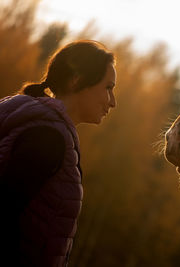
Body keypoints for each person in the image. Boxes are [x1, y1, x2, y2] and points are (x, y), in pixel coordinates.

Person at [0, 40, 116, 266]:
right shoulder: (47, 139)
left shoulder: (40, 126)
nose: (113, 102)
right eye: (108, 88)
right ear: (77, 80)